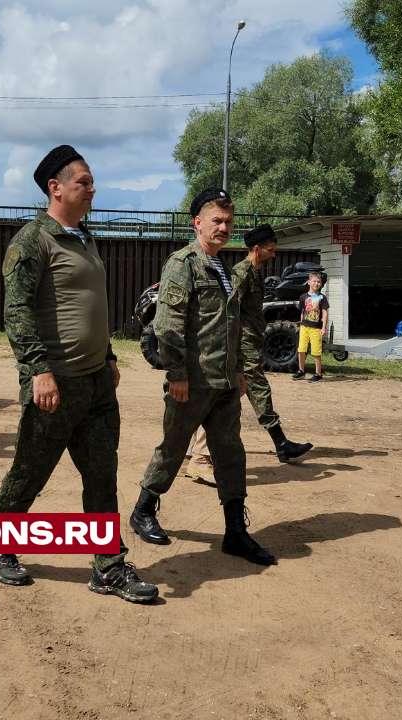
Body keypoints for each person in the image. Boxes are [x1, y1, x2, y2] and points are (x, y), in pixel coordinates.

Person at [0, 145, 157, 603]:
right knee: (29, 472)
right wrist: (38, 370)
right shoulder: (32, 240)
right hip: (55, 384)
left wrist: (110, 355)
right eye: (84, 183)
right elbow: (16, 310)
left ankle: (108, 568)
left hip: (96, 383)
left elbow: (88, 307)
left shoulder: (84, 236)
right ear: (55, 188)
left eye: (92, 183)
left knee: (101, 475)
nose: (93, 189)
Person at [130, 188, 276, 566]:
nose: (224, 227)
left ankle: (235, 532)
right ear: (198, 222)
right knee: (174, 446)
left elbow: (230, 324)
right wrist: (176, 372)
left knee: (230, 454)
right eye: (217, 220)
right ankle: (143, 510)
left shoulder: (224, 269)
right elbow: (168, 324)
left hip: (225, 382)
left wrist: (240, 371)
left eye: (228, 221)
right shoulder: (184, 264)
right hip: (192, 382)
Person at [184, 224, 313, 484]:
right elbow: (230, 311)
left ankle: (191, 450)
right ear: (257, 249)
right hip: (241, 345)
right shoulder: (241, 273)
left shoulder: (253, 273)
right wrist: (235, 348)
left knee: (214, 400)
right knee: (255, 391)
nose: (273, 255)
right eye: (271, 250)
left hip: (250, 342)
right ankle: (280, 443)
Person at [291, 272, 328, 383]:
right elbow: (302, 311)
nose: (316, 283)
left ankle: (318, 374)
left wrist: (324, 328)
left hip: (316, 328)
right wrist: (301, 323)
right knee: (301, 349)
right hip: (304, 327)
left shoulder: (322, 297)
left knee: (316, 351)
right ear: (309, 282)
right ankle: (301, 371)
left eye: (319, 282)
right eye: (314, 281)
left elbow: (325, 313)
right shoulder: (303, 297)